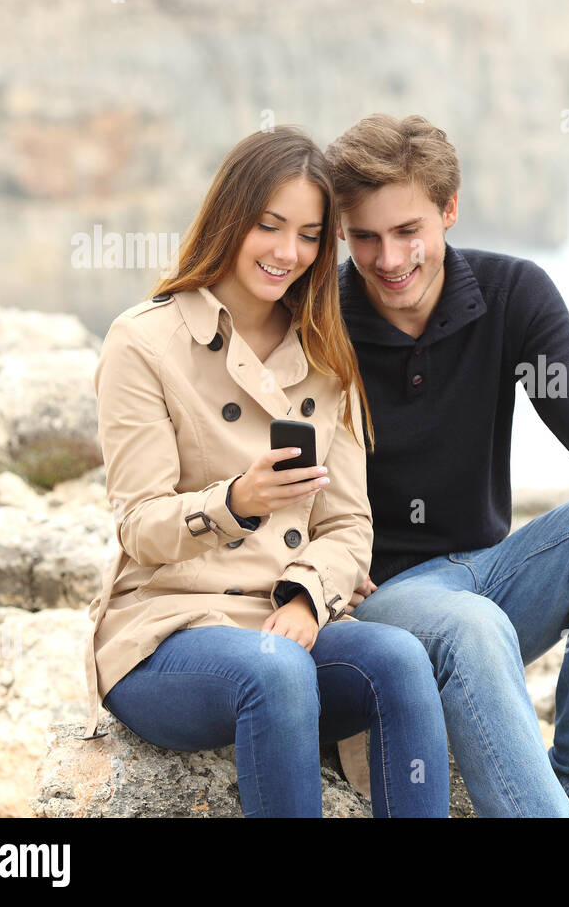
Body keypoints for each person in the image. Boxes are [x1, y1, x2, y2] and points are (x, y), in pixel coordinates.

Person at [323, 114, 569, 817]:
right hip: (375, 604)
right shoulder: (319, 319)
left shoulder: (512, 296)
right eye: (365, 237)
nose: (388, 259)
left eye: (409, 231)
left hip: (485, 575)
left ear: (449, 210)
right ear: (343, 232)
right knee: (470, 623)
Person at [79, 126, 449, 818]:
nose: (288, 252)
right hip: (166, 634)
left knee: (399, 660)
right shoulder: (144, 342)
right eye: (269, 225)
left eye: (310, 235)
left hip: (281, 625)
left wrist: (308, 598)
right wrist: (237, 501)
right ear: (230, 218)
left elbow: (346, 525)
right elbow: (140, 529)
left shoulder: (324, 354)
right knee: (274, 670)